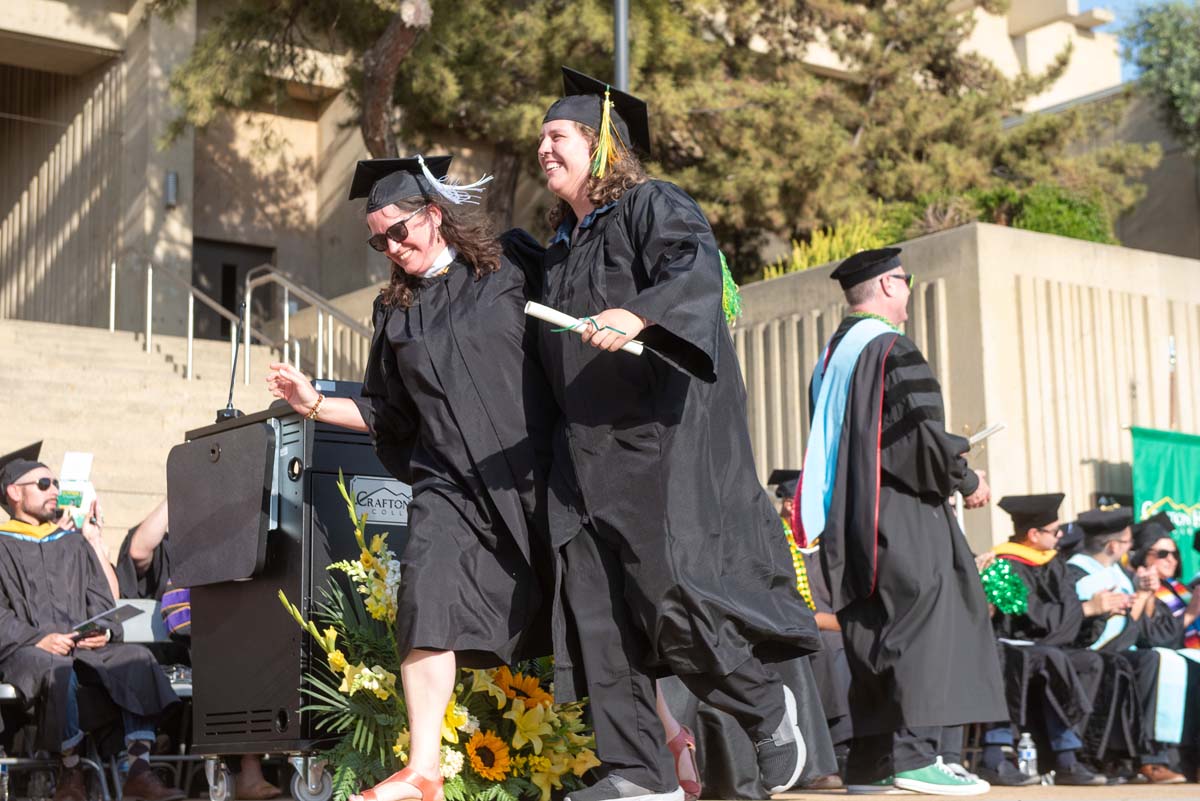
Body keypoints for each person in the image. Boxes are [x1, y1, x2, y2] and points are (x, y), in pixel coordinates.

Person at [533, 67, 821, 801]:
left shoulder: (650, 206)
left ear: (600, 148)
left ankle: (763, 705)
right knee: (598, 616)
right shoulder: (560, 247)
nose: (543, 147)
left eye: (557, 135)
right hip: (580, 456)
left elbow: (695, 265)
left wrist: (641, 313)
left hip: (646, 447)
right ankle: (636, 772)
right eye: (540, 137)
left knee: (670, 599)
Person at [268, 155, 558, 801]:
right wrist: (312, 402)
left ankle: (668, 735)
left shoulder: (509, 266)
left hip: (534, 473)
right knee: (425, 598)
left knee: (589, 602)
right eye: (380, 241)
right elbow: (387, 413)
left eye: (400, 231)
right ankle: (424, 767)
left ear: (435, 214)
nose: (393, 248)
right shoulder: (394, 311)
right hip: (447, 482)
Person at [797, 248, 1005, 795]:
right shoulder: (891, 347)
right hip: (900, 511)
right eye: (905, 283)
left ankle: (872, 762)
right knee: (924, 619)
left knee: (873, 631)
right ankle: (915, 756)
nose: (909, 293)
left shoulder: (831, 355)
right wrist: (966, 479)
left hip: (849, 520)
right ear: (888, 285)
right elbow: (919, 438)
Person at [0, 444, 182, 801]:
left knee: (136, 659)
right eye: (44, 484)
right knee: (56, 668)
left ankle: (138, 770)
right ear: (13, 493)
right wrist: (39, 639)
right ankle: (70, 772)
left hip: (81, 649)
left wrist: (103, 631)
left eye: (54, 483)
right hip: (29, 651)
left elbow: (101, 601)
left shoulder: (72, 544)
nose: (54, 490)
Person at [116, 499, 279, 799]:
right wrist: (179, 489)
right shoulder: (171, 544)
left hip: (223, 642)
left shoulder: (226, 541)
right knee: (235, 662)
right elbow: (139, 551)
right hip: (181, 651)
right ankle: (247, 772)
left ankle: (255, 770)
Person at [976, 494, 1106, 786]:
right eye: (1054, 531)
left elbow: (1067, 611)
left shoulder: (1055, 563)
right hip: (1011, 644)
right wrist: (1083, 611)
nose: (1060, 536)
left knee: (1091, 661)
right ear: (1034, 534)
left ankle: (1076, 754)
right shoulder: (1003, 565)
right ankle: (1056, 757)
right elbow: (1032, 617)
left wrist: (1088, 614)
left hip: (1049, 645)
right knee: (1048, 659)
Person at [1066, 508, 1188, 783]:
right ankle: (1145, 758)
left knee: (1165, 660)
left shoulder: (1115, 573)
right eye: (1126, 543)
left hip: (1119, 650)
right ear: (1112, 546)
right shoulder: (1079, 574)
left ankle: (1167, 757)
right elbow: (1104, 632)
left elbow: (1129, 625)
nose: (1130, 548)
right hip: (1093, 652)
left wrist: (1143, 594)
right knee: (1149, 660)